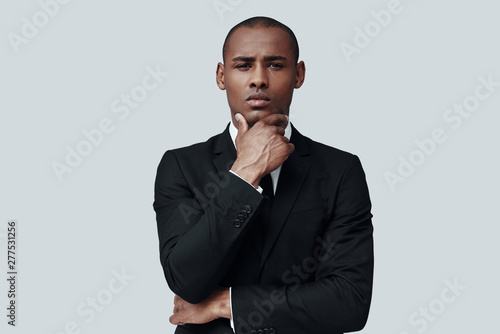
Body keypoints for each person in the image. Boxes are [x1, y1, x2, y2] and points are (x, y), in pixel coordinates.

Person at [153, 16, 374, 334]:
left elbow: (349, 302)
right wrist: (246, 172)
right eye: (243, 66)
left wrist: (226, 304)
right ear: (221, 75)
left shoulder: (340, 171)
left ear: (298, 75)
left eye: (275, 65)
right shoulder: (181, 166)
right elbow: (186, 280)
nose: (258, 79)